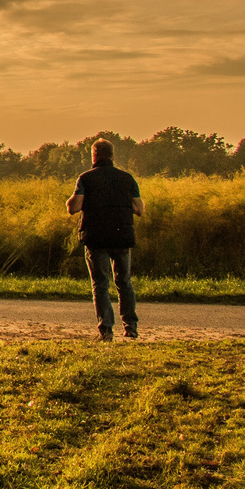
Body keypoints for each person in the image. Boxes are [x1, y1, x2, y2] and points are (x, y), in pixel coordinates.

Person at [66, 139, 144, 341]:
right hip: (122, 235)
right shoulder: (127, 179)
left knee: (100, 284)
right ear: (112, 155)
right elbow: (139, 209)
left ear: (94, 155)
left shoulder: (85, 179)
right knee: (124, 282)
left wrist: (73, 201)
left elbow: (74, 207)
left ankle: (106, 329)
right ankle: (131, 326)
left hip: (96, 236)